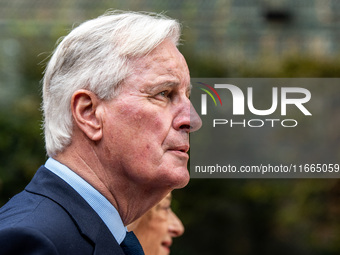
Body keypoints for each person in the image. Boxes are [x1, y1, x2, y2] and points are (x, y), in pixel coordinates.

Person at [0, 11, 201, 255]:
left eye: (187, 97)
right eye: (164, 93)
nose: (192, 119)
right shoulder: (33, 241)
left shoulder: (90, 233)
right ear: (89, 114)